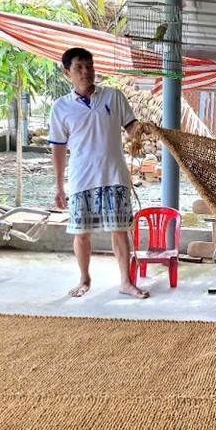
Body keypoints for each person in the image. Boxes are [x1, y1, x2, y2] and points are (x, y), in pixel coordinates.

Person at [48, 47, 150, 299]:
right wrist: (59, 187)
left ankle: (126, 282)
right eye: (79, 68)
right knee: (81, 233)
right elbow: (58, 148)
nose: (86, 72)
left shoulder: (113, 97)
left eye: (89, 66)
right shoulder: (61, 107)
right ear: (67, 73)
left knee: (120, 230)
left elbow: (131, 127)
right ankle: (84, 279)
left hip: (115, 175)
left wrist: (143, 129)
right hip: (82, 178)